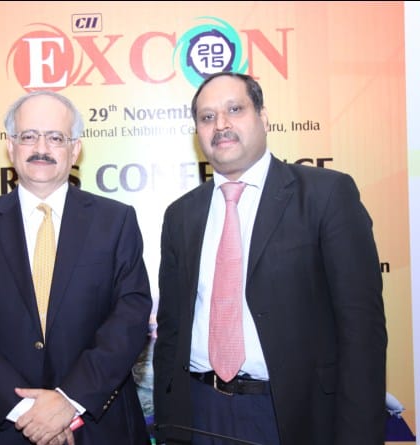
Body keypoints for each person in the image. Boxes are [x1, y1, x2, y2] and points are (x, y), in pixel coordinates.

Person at [152, 71, 387, 445]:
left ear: (263, 118)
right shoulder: (181, 214)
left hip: (291, 413)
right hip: (199, 412)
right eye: (207, 117)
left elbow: (362, 330)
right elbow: (171, 330)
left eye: (235, 109)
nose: (221, 125)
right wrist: (169, 423)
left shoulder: (326, 195)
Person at [0, 90, 153, 445]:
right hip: (4, 427)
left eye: (56, 137)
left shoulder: (116, 222)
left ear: (75, 149)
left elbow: (129, 319)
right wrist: (27, 413)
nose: (41, 148)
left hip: (98, 425)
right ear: (10, 146)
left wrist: (69, 401)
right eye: (29, 136)